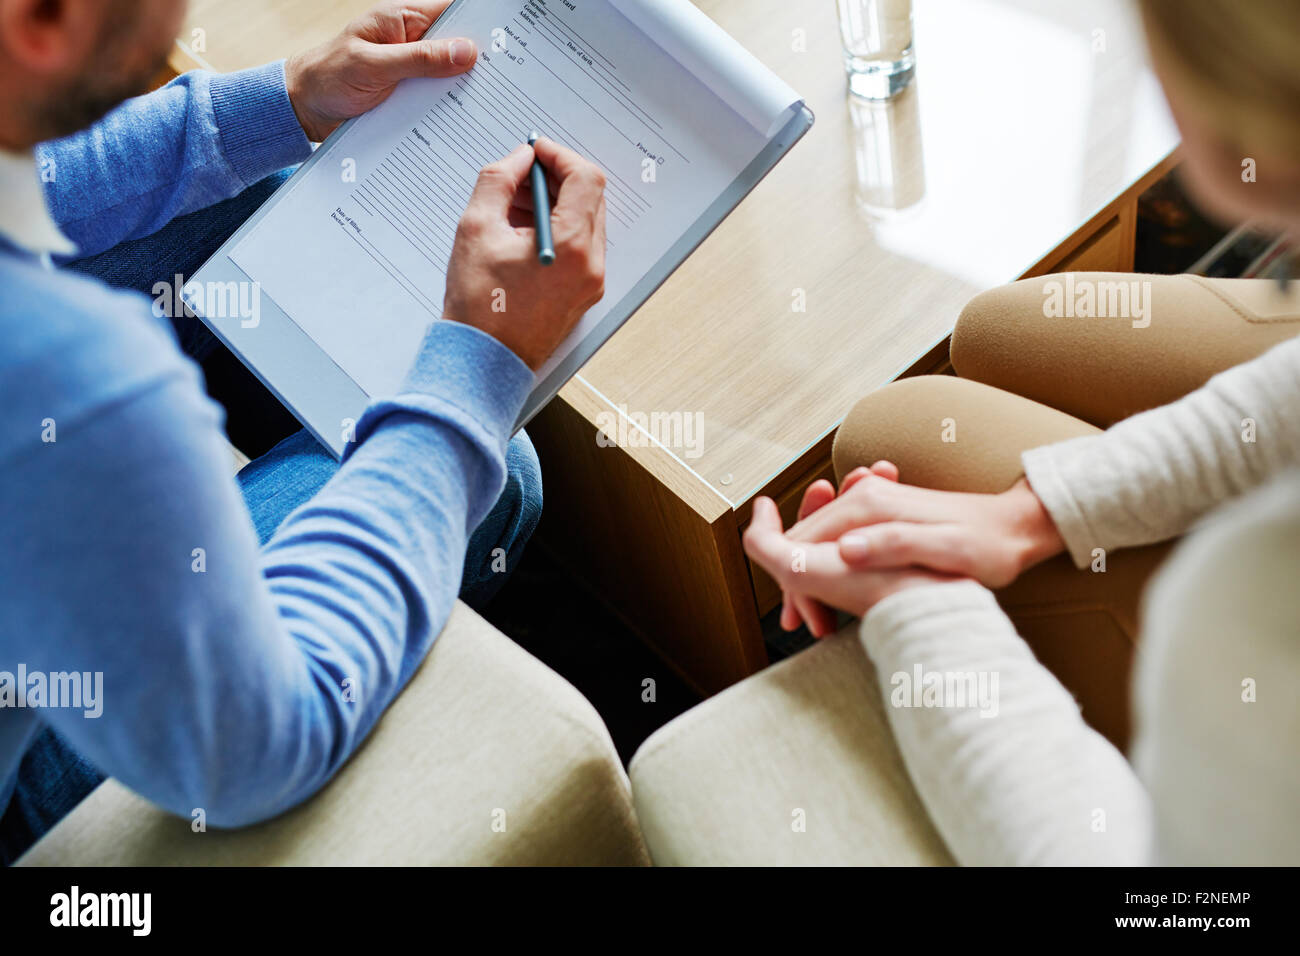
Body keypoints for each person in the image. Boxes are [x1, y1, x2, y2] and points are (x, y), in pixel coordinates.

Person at [0, 0, 606, 864]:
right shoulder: (70, 376)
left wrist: (289, 99)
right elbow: (252, 742)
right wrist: (475, 370)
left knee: (254, 206)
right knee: (495, 466)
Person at [744, 0, 1300, 864]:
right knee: (995, 332)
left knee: (901, 431)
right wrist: (1039, 509)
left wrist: (917, 611)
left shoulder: (1241, 609)